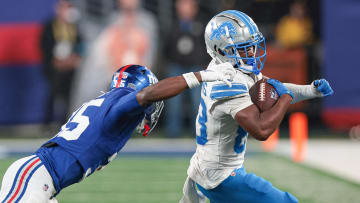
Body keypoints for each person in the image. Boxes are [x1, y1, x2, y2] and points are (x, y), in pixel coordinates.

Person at [0, 64, 235, 203]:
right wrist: (199, 76)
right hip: (33, 178)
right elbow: (145, 96)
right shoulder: (120, 105)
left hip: (42, 180)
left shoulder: (108, 105)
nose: (152, 107)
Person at [180, 10, 334, 203]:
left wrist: (311, 90)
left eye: (252, 45)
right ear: (221, 50)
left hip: (216, 170)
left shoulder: (232, 67)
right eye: (244, 48)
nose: (252, 52)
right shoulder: (227, 82)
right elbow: (261, 130)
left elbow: (273, 91)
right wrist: (286, 98)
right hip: (221, 177)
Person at [164, 0, 210, 137]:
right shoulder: (172, 25)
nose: (184, 9)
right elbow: (166, 47)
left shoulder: (201, 26)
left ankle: (198, 131)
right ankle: (172, 132)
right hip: (176, 67)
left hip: (196, 68)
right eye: (181, 5)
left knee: (198, 100)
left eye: (188, 5)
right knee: (173, 101)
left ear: (194, 8)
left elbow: (206, 47)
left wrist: (204, 63)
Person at [40, 0, 83, 126]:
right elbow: (44, 46)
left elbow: (79, 44)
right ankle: (47, 123)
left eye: (69, 7)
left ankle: (65, 122)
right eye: (64, 7)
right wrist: (54, 61)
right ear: (58, 9)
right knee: (53, 95)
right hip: (55, 68)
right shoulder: (50, 26)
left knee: (69, 95)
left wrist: (75, 58)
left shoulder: (74, 26)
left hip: (70, 67)